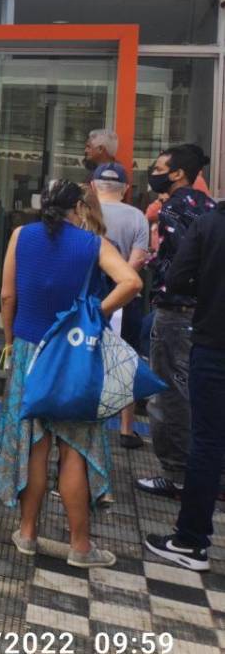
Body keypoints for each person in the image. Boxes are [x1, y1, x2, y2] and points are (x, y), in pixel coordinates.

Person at [0, 181, 141, 569]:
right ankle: (80, 546)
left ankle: (26, 533)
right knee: (74, 450)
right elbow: (132, 282)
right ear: (78, 206)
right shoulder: (93, 244)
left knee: (34, 446)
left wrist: (11, 340)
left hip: (29, 352)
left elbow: (7, 296)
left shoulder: (21, 235)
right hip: (75, 353)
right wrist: (94, 314)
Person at [145, 199, 225, 570]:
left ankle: (191, 540)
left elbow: (176, 278)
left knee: (206, 442)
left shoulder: (209, 225)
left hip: (214, 342)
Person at [136, 145, 216, 498]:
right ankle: (201, 471)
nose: (153, 171)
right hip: (205, 313)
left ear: (177, 174)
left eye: (159, 167)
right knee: (196, 391)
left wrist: (158, 267)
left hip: (175, 310)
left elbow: (182, 264)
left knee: (169, 392)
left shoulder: (173, 207)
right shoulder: (210, 208)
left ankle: (178, 473)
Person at [90, 161, 150, 449]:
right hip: (126, 297)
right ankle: (127, 429)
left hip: (90, 298)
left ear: (93, 186)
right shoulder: (137, 217)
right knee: (126, 360)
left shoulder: (85, 212)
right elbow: (137, 261)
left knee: (87, 356)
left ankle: (87, 416)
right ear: (126, 189)